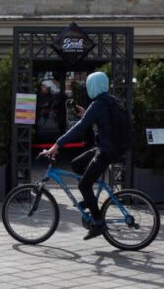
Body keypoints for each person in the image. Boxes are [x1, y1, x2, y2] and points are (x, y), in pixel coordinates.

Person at [39, 71, 115, 241]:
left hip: (106, 151)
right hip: (109, 148)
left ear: (94, 86)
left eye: (89, 85)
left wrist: (57, 145)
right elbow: (103, 120)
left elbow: (79, 128)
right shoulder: (109, 101)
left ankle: (98, 223)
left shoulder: (98, 104)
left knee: (83, 186)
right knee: (76, 164)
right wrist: (86, 113)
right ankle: (90, 200)